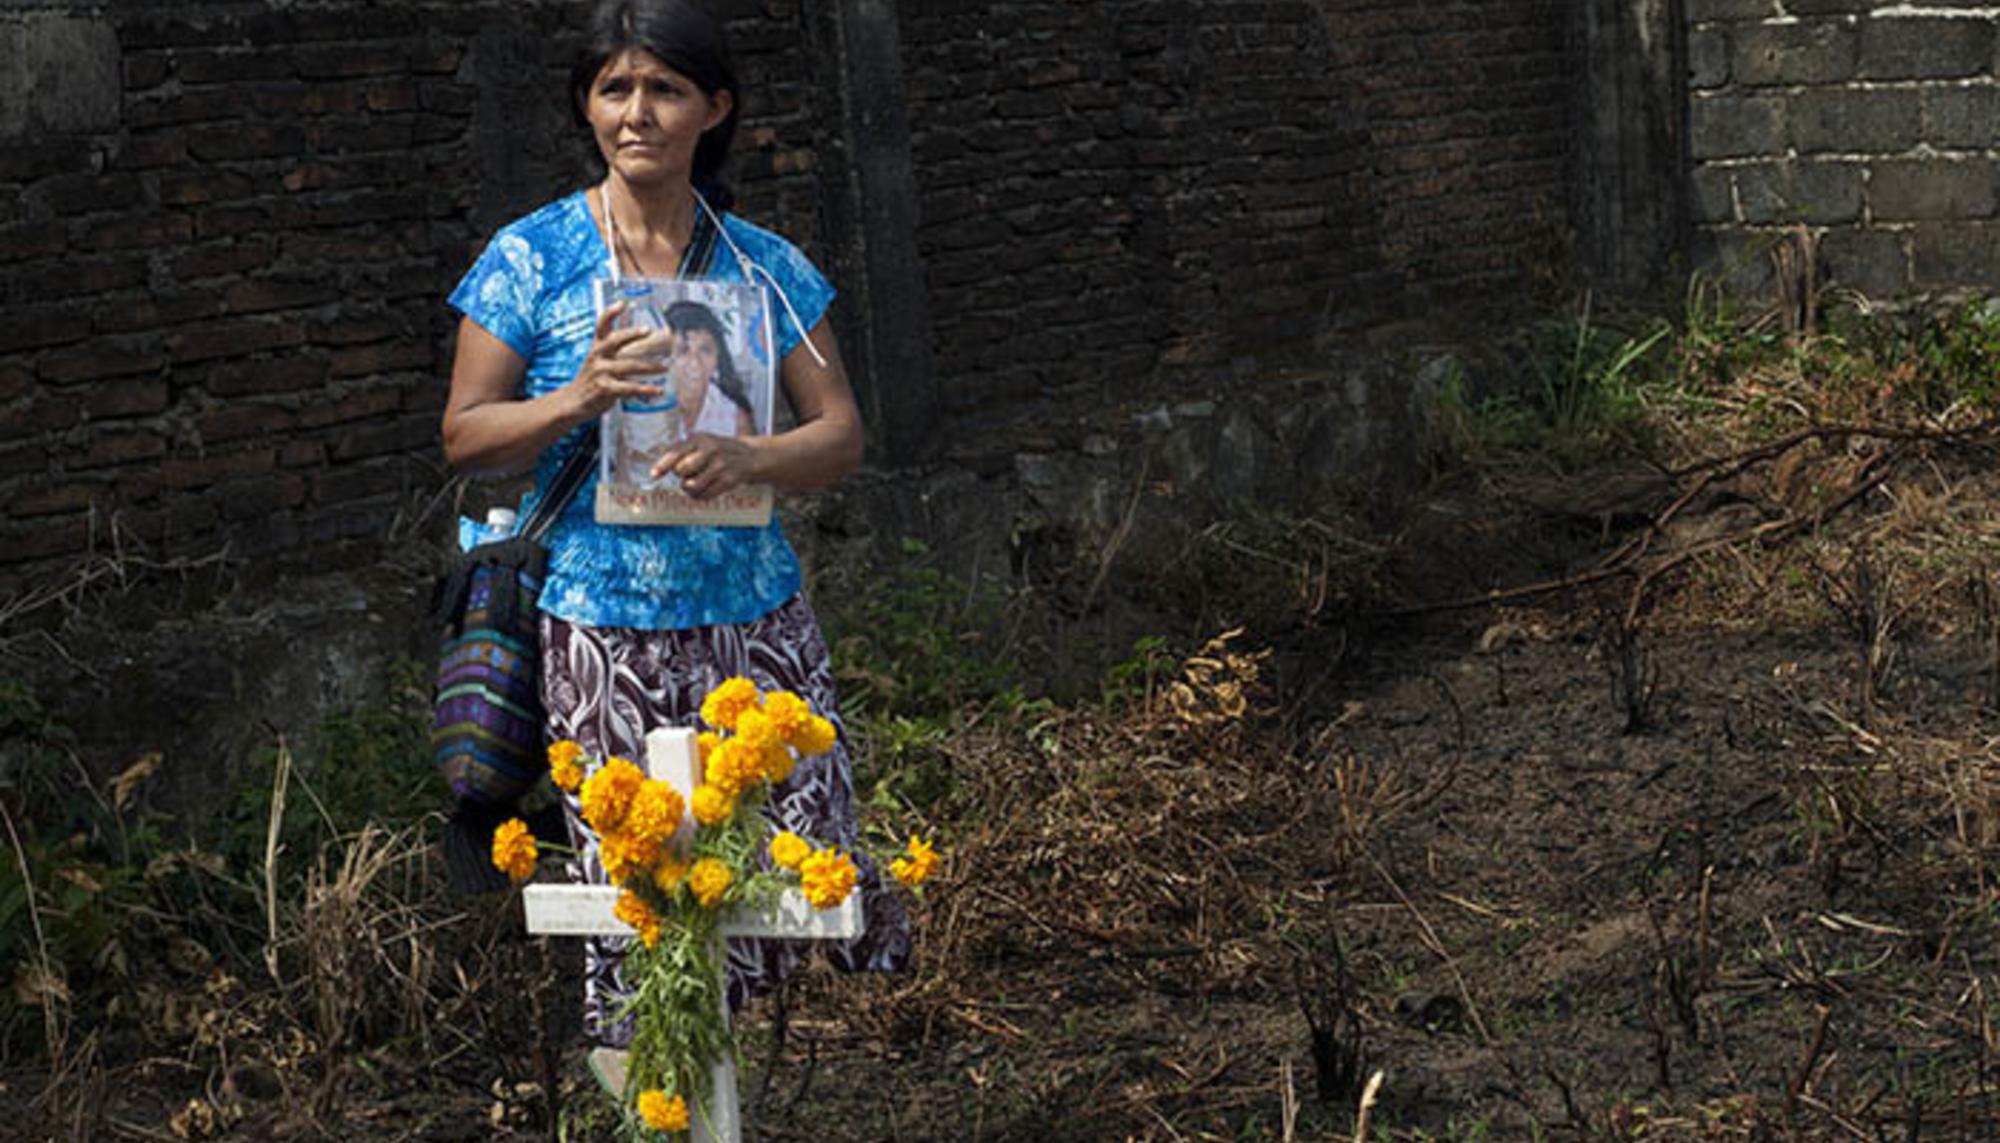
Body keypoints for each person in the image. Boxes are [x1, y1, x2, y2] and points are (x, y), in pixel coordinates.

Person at [439, 0, 909, 1046]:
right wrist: (578, 398)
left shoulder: (763, 269)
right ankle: (653, 1096)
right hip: (601, 635)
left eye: (664, 90)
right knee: (640, 914)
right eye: (614, 89)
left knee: (788, 885)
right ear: (587, 107)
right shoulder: (533, 259)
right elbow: (466, 438)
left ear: (715, 107)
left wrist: (753, 457)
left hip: (755, 629)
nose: (636, 114)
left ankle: (723, 1092)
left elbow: (840, 436)